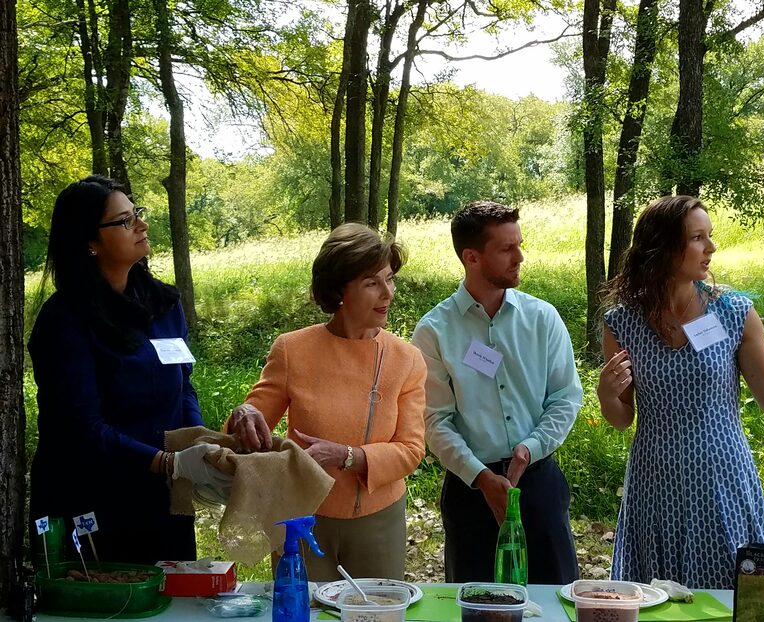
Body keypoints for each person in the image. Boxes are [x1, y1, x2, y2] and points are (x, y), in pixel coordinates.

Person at [598, 195, 764, 589]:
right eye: (697, 238)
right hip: (654, 485)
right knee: (658, 601)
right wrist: (606, 395)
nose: (711, 247)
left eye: (710, 236)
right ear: (663, 247)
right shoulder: (623, 323)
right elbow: (622, 418)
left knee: (732, 597)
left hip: (722, 480)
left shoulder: (734, 311)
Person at [28, 175, 231, 565]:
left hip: (164, 500)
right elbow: (81, 427)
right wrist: (166, 462)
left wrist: (195, 442)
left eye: (137, 213)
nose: (142, 225)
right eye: (124, 221)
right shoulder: (65, 320)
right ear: (89, 242)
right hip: (93, 504)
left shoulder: (164, 305)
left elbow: (182, 384)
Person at [225, 223, 426, 581]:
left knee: (375, 616)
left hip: (379, 521)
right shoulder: (292, 349)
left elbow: (411, 450)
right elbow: (246, 432)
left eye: (390, 279)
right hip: (301, 517)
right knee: (305, 612)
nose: (388, 293)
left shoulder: (406, 359)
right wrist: (244, 414)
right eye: (371, 282)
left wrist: (348, 456)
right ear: (339, 290)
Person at [411, 201, 583, 584]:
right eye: (507, 249)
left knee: (554, 600)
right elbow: (434, 420)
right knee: (476, 604)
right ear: (471, 257)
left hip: (537, 483)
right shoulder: (433, 332)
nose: (520, 256)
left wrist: (531, 447)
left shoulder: (543, 319)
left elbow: (566, 397)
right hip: (470, 490)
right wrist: (480, 476)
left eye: (519, 244)